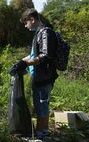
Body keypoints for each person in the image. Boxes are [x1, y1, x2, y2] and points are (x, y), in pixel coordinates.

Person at [16, 8, 58, 139]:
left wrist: (26, 64)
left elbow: (46, 56)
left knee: (41, 104)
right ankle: (43, 131)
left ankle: (41, 133)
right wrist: (22, 60)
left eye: (26, 23)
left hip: (44, 76)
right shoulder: (40, 33)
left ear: (32, 20)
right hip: (39, 76)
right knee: (40, 103)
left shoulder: (45, 33)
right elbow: (35, 53)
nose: (25, 26)